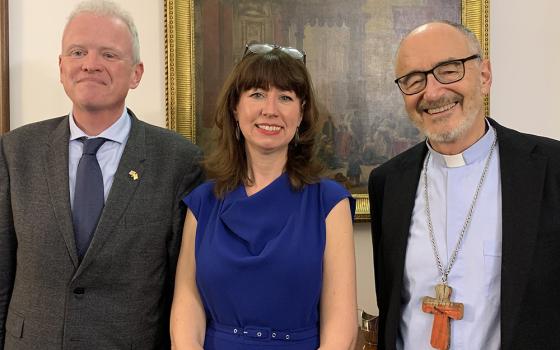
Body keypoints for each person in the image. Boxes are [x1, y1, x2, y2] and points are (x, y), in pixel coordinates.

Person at [0, 1, 203, 348]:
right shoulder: (16, 150)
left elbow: (180, 288)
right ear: (62, 67)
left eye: (109, 55)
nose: (90, 65)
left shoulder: (178, 161)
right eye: (78, 52)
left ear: (136, 73)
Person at [368, 21, 560, 350]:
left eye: (448, 70)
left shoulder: (552, 168)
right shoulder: (387, 183)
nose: (432, 92)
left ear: (484, 76)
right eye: (414, 80)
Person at [170, 44, 357, 350]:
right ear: (235, 108)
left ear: (301, 114)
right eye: (257, 94)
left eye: (285, 97)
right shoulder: (203, 202)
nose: (270, 109)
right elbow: (187, 305)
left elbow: (342, 326)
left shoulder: (329, 202)